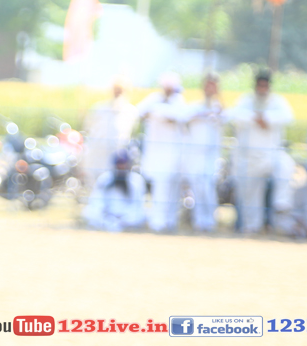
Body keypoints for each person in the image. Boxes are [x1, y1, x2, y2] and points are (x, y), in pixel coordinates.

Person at [226, 69, 293, 233]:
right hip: (248, 158)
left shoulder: (277, 101)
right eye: (260, 86)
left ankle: (281, 203)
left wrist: (267, 119)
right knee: (249, 196)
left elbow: (289, 116)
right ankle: (251, 228)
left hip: (271, 153)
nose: (262, 89)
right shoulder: (245, 100)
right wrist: (255, 118)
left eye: (265, 86)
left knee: (286, 166)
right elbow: (233, 114)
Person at [138, 72, 190, 232]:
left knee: (173, 189)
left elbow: (181, 116)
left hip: (174, 153)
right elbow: (140, 112)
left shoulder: (179, 101)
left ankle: (170, 221)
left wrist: (159, 113)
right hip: (156, 152)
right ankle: (158, 222)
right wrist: (158, 112)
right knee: (159, 188)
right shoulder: (153, 99)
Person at [186, 73, 225, 232]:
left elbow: (225, 116)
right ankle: (199, 221)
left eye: (213, 86)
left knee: (208, 186)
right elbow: (185, 117)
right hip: (195, 153)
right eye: (208, 85)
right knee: (196, 186)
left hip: (212, 154)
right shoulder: (195, 106)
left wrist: (218, 99)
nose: (210, 89)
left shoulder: (219, 107)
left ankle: (210, 221)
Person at [80, 78, 136, 187]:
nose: (118, 92)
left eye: (121, 89)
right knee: (94, 184)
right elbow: (88, 128)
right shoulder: (99, 108)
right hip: (97, 154)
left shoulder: (131, 111)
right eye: (115, 89)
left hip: (116, 156)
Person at [82, 150, 147, 232]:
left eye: (123, 165)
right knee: (88, 212)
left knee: (142, 215)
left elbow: (137, 205)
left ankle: (121, 226)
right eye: (118, 165)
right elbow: (96, 200)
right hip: (107, 216)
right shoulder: (104, 178)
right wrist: (106, 215)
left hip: (127, 217)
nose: (121, 167)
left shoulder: (136, 179)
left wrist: (123, 218)